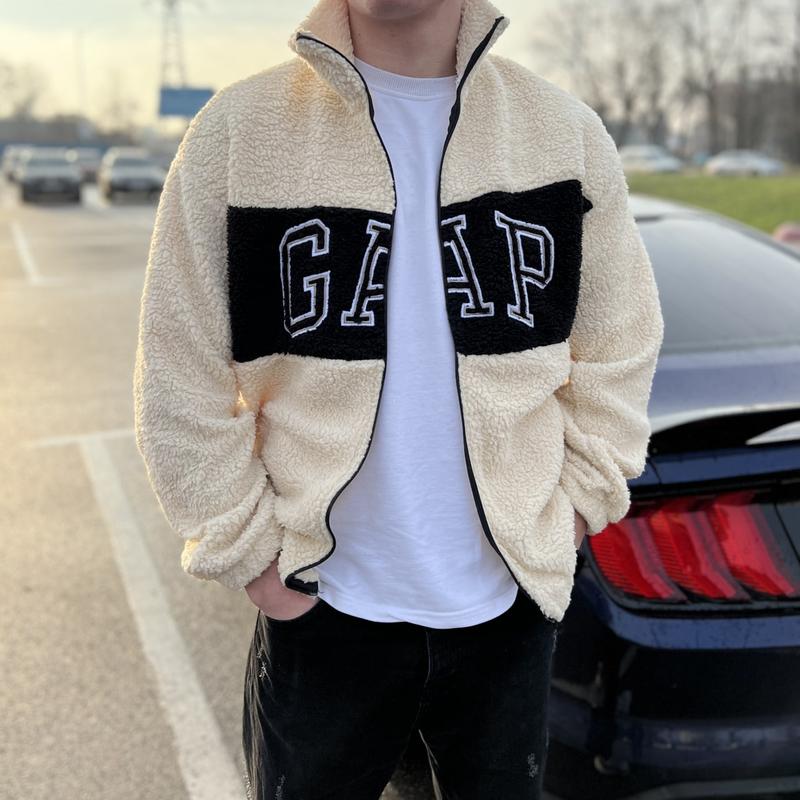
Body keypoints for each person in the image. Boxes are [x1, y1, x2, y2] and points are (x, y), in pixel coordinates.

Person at [132, 0, 664, 797]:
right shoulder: (237, 134)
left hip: (508, 611)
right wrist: (253, 558)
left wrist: (576, 508)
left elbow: (621, 344)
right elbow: (178, 374)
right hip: (321, 607)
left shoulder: (564, 133)